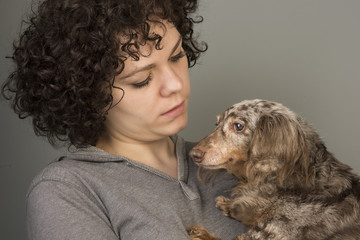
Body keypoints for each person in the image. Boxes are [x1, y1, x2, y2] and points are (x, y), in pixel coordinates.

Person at [2, 0, 247, 239]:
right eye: (142, 80)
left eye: (176, 56)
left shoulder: (236, 162)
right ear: (90, 95)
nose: (175, 84)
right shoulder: (68, 190)